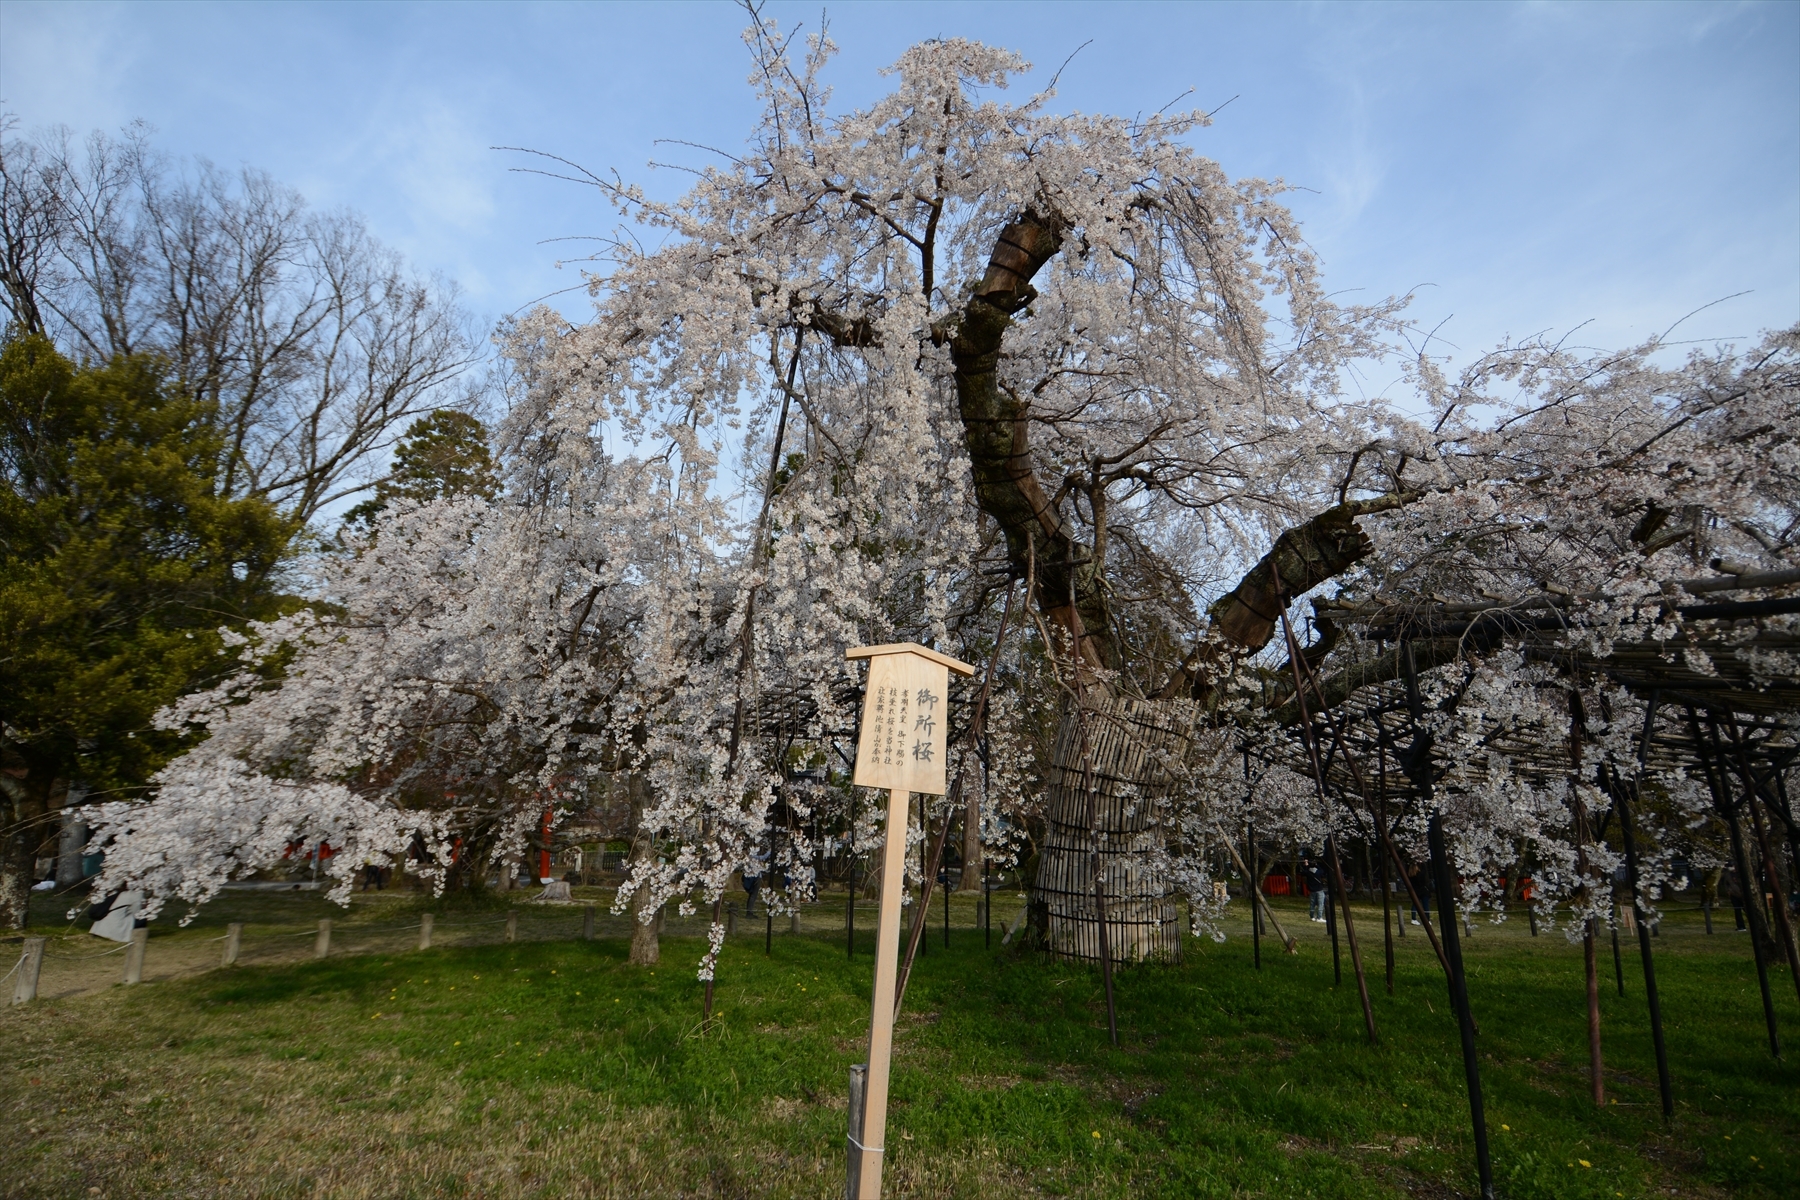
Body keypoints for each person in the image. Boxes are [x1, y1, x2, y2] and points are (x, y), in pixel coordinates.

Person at [1304, 857, 1328, 922]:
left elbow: (1305, 871)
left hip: (1312, 890)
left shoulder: (1308, 873)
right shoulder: (1318, 872)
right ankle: (1319, 917)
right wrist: (1316, 864)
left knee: (1312, 904)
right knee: (1320, 904)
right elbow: (1322, 870)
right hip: (1319, 890)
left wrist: (1306, 865)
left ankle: (1312, 917)